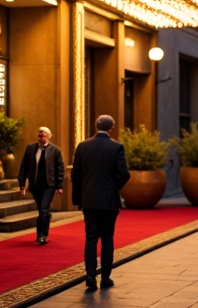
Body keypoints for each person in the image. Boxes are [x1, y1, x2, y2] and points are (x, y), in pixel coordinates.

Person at [71, 114, 130, 291]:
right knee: (107, 238)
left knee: (90, 237)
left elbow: (76, 175)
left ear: (96, 126)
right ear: (111, 128)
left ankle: (90, 276)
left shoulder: (83, 146)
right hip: (108, 200)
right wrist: (114, 187)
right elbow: (125, 174)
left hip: (89, 199)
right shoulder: (116, 147)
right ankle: (105, 277)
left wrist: (79, 198)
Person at [17, 126, 65, 245]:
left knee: (43, 209)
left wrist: (59, 185)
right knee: (42, 210)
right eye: (39, 135)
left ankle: (42, 235)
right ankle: (45, 224)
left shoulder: (55, 150)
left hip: (49, 185)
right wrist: (22, 183)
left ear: (48, 137)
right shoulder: (31, 149)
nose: (40, 137)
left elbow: (60, 168)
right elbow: (24, 166)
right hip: (35, 185)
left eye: (43, 135)